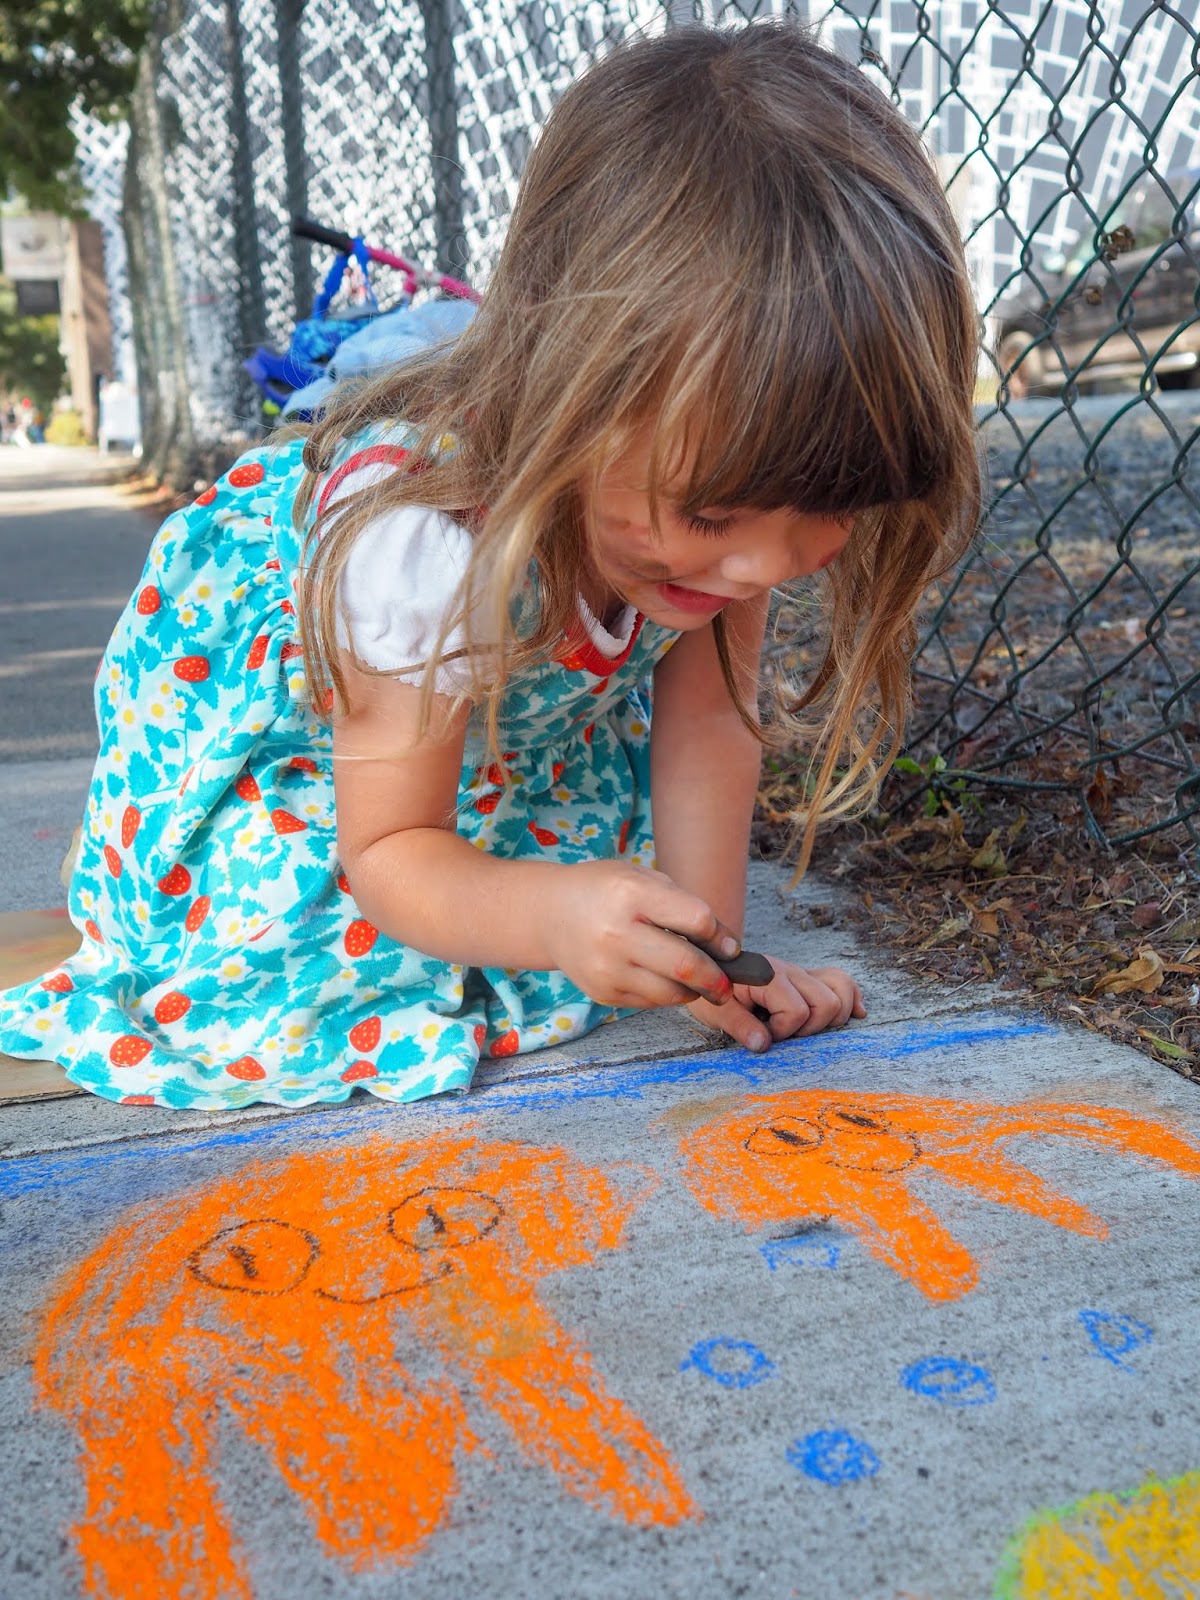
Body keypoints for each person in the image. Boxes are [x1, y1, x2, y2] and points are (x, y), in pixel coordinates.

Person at [0, 21, 980, 1109]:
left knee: (594, 899)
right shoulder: (417, 536)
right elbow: (388, 846)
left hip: (489, 729)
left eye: (832, 508)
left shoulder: (718, 530)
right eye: (713, 511)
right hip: (328, 761)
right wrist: (555, 916)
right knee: (291, 966)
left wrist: (709, 961)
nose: (765, 565)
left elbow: (707, 720)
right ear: (572, 389)